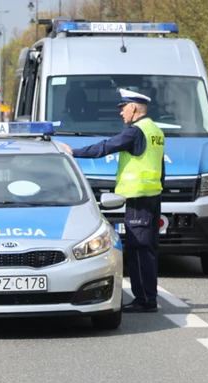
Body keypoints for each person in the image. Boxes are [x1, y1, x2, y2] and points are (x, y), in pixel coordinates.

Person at [58, 88, 164, 312]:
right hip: (153, 196)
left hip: (138, 198)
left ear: (134, 107)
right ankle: (149, 296)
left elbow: (107, 146)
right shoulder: (155, 130)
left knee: (138, 249)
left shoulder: (135, 131)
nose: (121, 113)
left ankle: (145, 300)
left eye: (123, 107)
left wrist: (75, 152)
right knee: (149, 249)